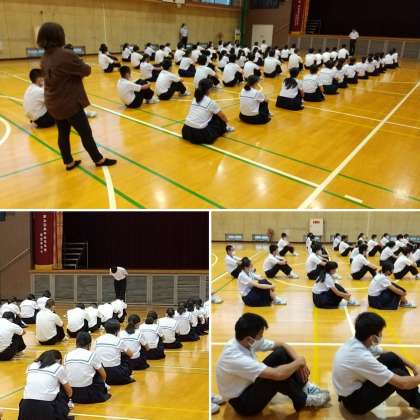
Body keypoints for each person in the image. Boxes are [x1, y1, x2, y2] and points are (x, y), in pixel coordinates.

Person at [216, 313, 330, 416]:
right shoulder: (235, 357)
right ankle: (304, 400)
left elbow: (282, 345)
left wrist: (299, 361)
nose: (262, 338)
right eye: (260, 335)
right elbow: (278, 374)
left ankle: (304, 386)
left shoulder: (245, 341)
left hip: (249, 385)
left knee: (281, 353)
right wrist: (299, 362)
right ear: (249, 339)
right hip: (243, 403)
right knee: (277, 376)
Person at [37, 22, 116, 170]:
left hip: (53, 102)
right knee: (85, 132)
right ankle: (98, 160)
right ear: (59, 36)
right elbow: (86, 70)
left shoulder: (44, 57)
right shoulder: (65, 54)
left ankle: (68, 162)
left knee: (63, 132)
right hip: (69, 102)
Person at [333, 312, 420, 415]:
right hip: (354, 403)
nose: (381, 335)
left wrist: (414, 366)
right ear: (372, 337)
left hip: (350, 390)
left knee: (391, 357)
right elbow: (402, 383)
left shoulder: (357, 341)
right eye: (380, 332)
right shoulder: (362, 357)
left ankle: (415, 395)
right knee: (398, 374)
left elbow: (388, 353)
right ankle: (417, 399)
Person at [18, 350, 73, 420]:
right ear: (58, 360)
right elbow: (69, 391)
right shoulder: (58, 367)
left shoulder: (31, 365)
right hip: (46, 409)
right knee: (62, 388)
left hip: (25, 406)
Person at [182, 78, 233, 145]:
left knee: (212, 113)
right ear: (209, 89)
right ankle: (225, 128)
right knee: (218, 117)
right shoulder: (210, 102)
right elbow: (223, 116)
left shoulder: (195, 98)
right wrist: (225, 123)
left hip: (185, 131)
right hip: (198, 134)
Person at [64, 332, 111, 404]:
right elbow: (103, 375)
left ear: (76, 343)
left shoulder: (67, 355)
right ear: (90, 344)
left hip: (71, 393)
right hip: (88, 394)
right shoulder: (91, 355)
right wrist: (103, 384)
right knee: (98, 367)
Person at [95, 319, 135, 385]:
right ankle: (126, 375)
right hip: (116, 374)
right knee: (126, 355)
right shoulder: (118, 340)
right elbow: (131, 354)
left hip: (101, 373)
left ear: (105, 329)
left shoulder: (98, 339)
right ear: (118, 330)